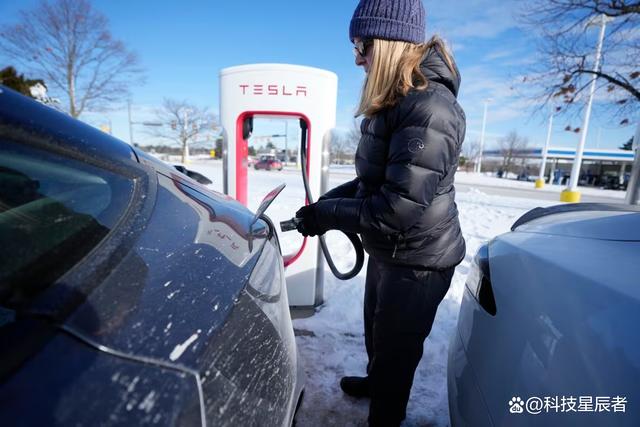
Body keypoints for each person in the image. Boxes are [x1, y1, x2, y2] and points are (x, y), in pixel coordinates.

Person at [294, 0, 466, 425]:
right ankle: (377, 382)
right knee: (378, 334)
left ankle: (385, 414)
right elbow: (375, 184)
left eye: (363, 44)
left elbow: (396, 209)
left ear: (391, 41)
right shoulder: (395, 102)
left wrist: (329, 215)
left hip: (420, 260)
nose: (357, 58)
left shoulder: (431, 110)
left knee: (397, 352)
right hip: (391, 250)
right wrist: (324, 206)